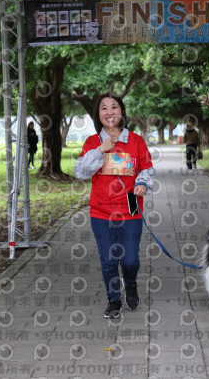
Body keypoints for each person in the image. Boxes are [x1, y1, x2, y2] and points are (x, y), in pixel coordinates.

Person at [74, 94, 154, 319]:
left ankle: (131, 284)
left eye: (114, 107)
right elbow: (80, 171)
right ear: (98, 114)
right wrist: (100, 149)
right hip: (101, 212)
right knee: (108, 260)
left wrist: (142, 184)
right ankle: (114, 299)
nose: (110, 112)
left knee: (130, 260)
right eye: (104, 108)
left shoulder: (136, 141)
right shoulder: (92, 142)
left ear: (121, 111)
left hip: (130, 211)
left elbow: (146, 168)